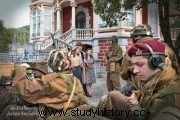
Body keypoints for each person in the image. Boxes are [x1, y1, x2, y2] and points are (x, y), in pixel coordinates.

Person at [0, 48, 87, 120]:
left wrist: (21, 69)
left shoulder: (54, 80)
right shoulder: (76, 81)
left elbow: (23, 91)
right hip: (67, 116)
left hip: (53, 117)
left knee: (9, 111)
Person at [105, 39, 180, 120]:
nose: (135, 70)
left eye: (140, 64)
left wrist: (134, 105)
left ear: (156, 63)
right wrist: (136, 97)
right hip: (142, 110)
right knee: (113, 95)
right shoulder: (154, 78)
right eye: (134, 65)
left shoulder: (169, 96)